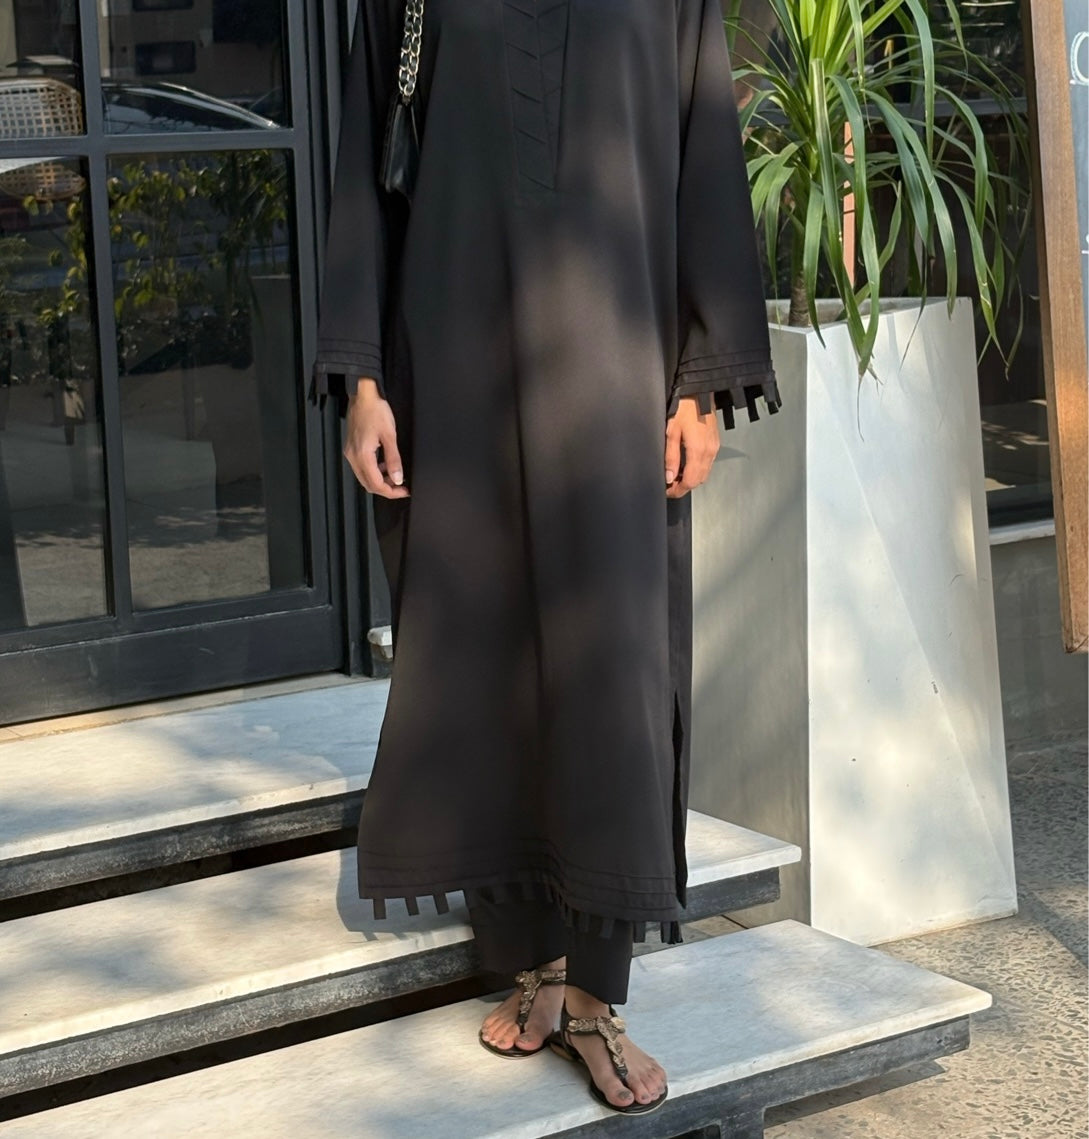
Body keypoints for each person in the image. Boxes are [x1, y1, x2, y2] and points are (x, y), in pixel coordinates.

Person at [309, 0, 780, 1115]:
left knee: (614, 672)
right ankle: (531, 957)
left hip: (619, 372)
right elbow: (368, 159)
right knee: (481, 656)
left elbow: (703, 155)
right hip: (453, 362)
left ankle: (597, 993)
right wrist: (363, 379)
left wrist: (700, 379)